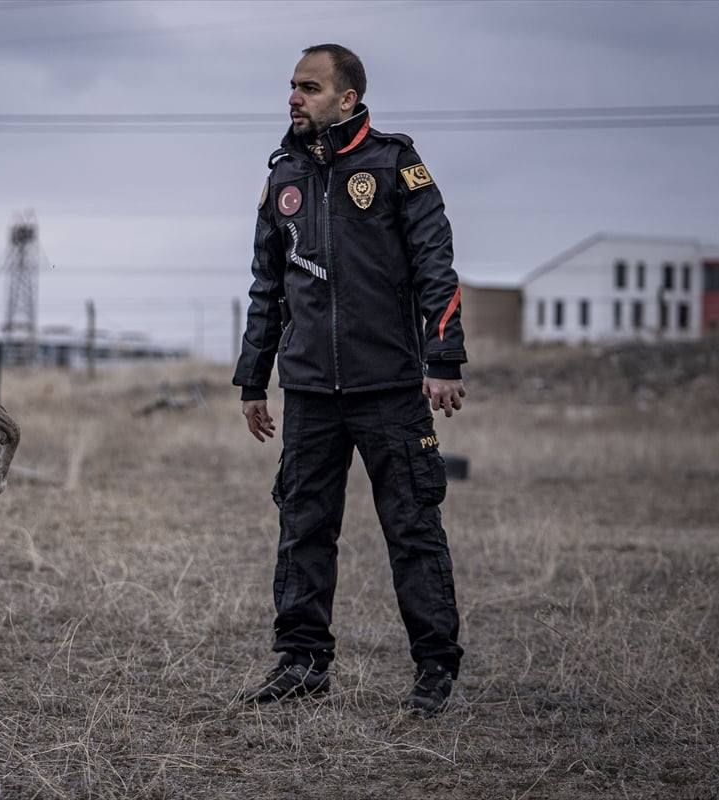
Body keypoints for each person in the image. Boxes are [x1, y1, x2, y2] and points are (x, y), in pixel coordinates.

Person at [233, 43, 466, 713]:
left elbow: (435, 267)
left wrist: (443, 358)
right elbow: (266, 287)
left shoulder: (396, 166)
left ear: (348, 98)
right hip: (308, 394)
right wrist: (254, 380)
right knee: (303, 530)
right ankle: (302, 664)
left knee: (413, 530)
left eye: (309, 87)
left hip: (389, 389)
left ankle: (434, 671)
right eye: (292, 87)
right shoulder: (282, 177)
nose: (293, 98)